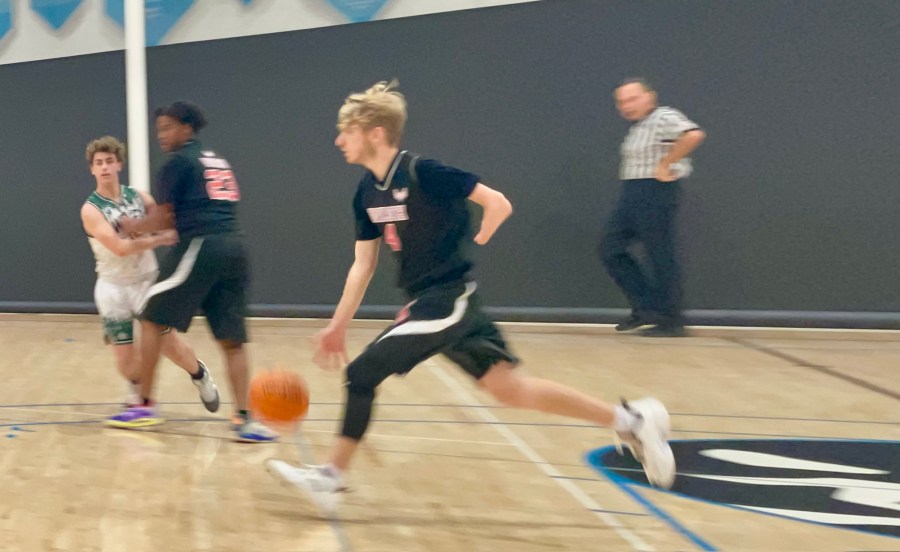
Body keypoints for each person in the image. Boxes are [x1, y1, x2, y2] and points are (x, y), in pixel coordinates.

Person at [265, 81, 675, 512]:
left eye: (345, 130)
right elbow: (362, 265)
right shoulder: (365, 193)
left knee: (362, 374)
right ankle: (633, 420)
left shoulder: (426, 173)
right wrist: (337, 325)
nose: (338, 140)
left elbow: (496, 202)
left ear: (375, 132)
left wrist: (479, 233)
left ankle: (330, 477)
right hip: (433, 301)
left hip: (449, 298)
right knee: (510, 390)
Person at [109, 103, 276, 442]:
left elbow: (164, 219)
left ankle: (143, 407)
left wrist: (132, 226)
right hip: (235, 249)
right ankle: (244, 421)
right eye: (159, 130)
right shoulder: (214, 159)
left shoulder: (177, 164)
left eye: (168, 128)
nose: (162, 136)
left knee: (151, 315)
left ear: (188, 127)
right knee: (232, 339)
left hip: (203, 245)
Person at [80, 136, 220, 426]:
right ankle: (139, 397)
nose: (105, 167)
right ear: (92, 170)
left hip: (146, 282)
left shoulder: (139, 198)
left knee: (171, 347)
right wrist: (156, 239)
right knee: (126, 362)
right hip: (112, 286)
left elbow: (165, 220)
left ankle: (199, 374)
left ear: (118, 164)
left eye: (109, 161)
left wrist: (159, 230)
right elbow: (118, 247)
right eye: (98, 163)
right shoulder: (91, 210)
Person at [600, 78, 706, 337]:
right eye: (621, 101)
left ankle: (671, 320)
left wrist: (667, 162)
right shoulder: (638, 127)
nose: (626, 106)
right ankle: (648, 308)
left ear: (650, 97)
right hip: (633, 193)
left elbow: (693, 135)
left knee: (659, 254)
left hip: (654, 192)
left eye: (633, 99)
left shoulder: (663, 117)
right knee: (610, 248)